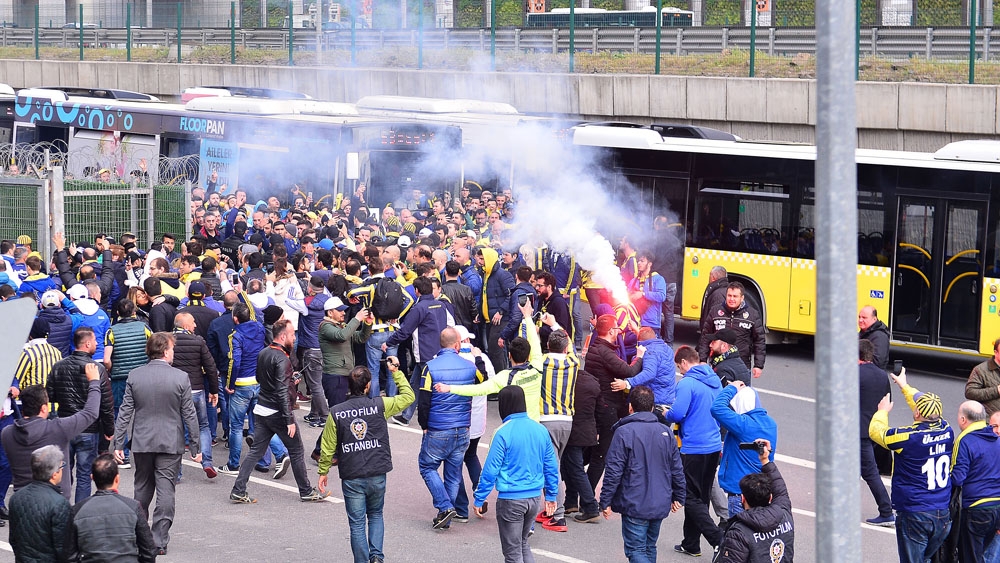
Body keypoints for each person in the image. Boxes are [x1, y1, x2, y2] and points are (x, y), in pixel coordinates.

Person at [113, 332, 202, 556]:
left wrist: (117, 442)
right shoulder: (180, 377)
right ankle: (158, 539)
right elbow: (189, 414)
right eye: (172, 349)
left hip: (142, 440)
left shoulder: (135, 375)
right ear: (165, 351)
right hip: (170, 441)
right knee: (166, 490)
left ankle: (139, 536)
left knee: (141, 489)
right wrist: (196, 445)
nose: (173, 352)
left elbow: (125, 411)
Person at [317, 363, 415, 563]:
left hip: (352, 474)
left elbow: (327, 445)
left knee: (357, 524)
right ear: (368, 385)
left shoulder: (336, 412)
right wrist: (396, 373)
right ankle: (377, 557)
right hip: (377, 471)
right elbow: (408, 397)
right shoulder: (380, 405)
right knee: (376, 514)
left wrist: (323, 470)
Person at [229, 319, 328, 504]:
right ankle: (306, 491)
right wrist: (289, 419)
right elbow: (282, 391)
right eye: (292, 334)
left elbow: (262, 378)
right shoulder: (283, 358)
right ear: (283, 336)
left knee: (256, 452)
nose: (294, 337)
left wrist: (290, 381)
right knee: (297, 450)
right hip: (278, 412)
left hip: (262, 408)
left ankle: (238, 489)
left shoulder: (264, 352)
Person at [869, 368, 954, 563]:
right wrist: (904, 386)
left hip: (916, 513)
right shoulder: (947, 429)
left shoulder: (908, 437)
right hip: (942, 514)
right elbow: (923, 403)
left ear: (916, 413)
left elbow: (877, 432)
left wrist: (882, 412)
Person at [473, 385, 559, 563]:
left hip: (511, 499)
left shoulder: (503, 432)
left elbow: (490, 470)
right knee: (523, 543)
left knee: (512, 553)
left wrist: (479, 498)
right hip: (534, 498)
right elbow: (551, 466)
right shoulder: (540, 430)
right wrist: (551, 495)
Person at [600, 385, 686, 563]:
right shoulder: (666, 433)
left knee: (636, 550)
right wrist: (679, 495)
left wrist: (605, 500)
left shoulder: (624, 432)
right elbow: (676, 468)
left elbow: (614, 470)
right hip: (660, 501)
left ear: (630, 406)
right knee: (649, 547)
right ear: (653, 407)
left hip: (635, 502)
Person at [415, 327, 481, 528]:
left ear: (440, 344)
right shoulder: (470, 367)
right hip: (462, 429)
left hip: (438, 428)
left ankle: (445, 507)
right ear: (458, 344)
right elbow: (483, 381)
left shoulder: (430, 367)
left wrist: (424, 425)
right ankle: (447, 513)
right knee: (453, 473)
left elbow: (424, 401)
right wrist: (476, 357)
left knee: (427, 466)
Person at [524, 305, 580, 533]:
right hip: (567, 420)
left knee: (550, 468)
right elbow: (570, 343)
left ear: (548, 346)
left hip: (545, 419)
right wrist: (554, 324)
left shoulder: (542, 362)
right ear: (566, 348)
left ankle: (557, 515)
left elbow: (532, 347)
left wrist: (529, 320)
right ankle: (551, 510)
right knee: (553, 465)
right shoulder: (573, 362)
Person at [45, 326, 115, 501]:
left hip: (64, 425)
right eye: (95, 341)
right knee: (85, 474)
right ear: (87, 343)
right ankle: (79, 512)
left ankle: (61, 507)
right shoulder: (97, 369)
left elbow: (50, 394)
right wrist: (109, 429)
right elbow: (106, 403)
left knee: (62, 470)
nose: (97, 343)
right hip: (89, 428)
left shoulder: (58, 366)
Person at [667, 345, 724, 557]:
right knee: (701, 497)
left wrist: (667, 412)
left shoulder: (687, 383)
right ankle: (691, 543)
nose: (679, 370)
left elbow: (678, 413)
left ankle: (718, 539)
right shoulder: (714, 380)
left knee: (688, 496)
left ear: (683, 362)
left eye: (679, 367)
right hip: (713, 446)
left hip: (693, 447)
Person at [714, 439, 795, 563]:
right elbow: (780, 487)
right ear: (770, 498)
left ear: (742, 499)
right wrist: (765, 460)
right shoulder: (784, 513)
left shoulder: (739, 533)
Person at [67, 453, 157, 563]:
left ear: (92, 478)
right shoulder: (133, 507)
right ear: (117, 479)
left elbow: (70, 555)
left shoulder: (77, 510)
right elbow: (149, 550)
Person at [710, 381, 778, 519]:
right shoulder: (771, 423)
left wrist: (731, 388)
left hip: (740, 493)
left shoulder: (744, 424)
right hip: (759, 490)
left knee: (739, 535)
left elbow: (716, 408)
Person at [171, 312, 220, 478]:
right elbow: (211, 367)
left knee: (176, 427)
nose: (195, 326)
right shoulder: (198, 341)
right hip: (196, 389)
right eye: (193, 322)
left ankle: (176, 472)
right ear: (185, 326)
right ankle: (207, 462)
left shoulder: (167, 341)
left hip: (174, 390)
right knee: (203, 425)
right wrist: (214, 391)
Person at [951, 400, 1000, 563]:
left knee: (969, 557)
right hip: (996, 508)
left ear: (963, 420)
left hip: (975, 508)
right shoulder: (996, 440)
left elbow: (957, 478)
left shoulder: (965, 441)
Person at [8, 445, 72, 563]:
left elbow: (13, 540)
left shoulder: (16, 498)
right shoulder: (59, 503)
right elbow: (64, 548)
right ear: (54, 474)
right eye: (61, 466)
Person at [857, 339, 894, 526]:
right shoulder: (881, 375)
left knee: (870, 473)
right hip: (873, 430)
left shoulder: (854, 374)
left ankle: (886, 511)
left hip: (856, 432)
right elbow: (887, 402)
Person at [697, 282, 765, 378]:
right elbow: (705, 337)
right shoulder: (715, 311)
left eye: (735, 296)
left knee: (741, 392)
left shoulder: (752, 315)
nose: (731, 299)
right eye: (729, 295)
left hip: (742, 365)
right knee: (718, 392)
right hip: (718, 365)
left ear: (742, 298)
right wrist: (702, 360)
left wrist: (758, 365)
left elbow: (759, 341)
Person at [563, 368, 601, 523]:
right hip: (588, 431)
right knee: (570, 465)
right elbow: (599, 410)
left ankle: (591, 507)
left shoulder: (568, 380)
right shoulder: (593, 382)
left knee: (576, 468)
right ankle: (571, 501)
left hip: (574, 432)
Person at [626, 250, 667, 334]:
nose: (639, 263)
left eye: (642, 261)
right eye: (638, 261)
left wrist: (643, 294)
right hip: (634, 323)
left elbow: (662, 296)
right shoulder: (634, 280)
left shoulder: (658, 279)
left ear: (649, 264)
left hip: (651, 324)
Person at [966, 337, 1000, 416]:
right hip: (991, 422)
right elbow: (970, 393)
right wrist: (996, 391)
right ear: (996, 352)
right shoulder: (980, 370)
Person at [858, 305, 890, 371]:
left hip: (871, 376)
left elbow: (878, 362)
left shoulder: (880, 336)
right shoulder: (864, 332)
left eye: (864, 317)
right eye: (859, 317)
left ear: (874, 319)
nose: (860, 320)